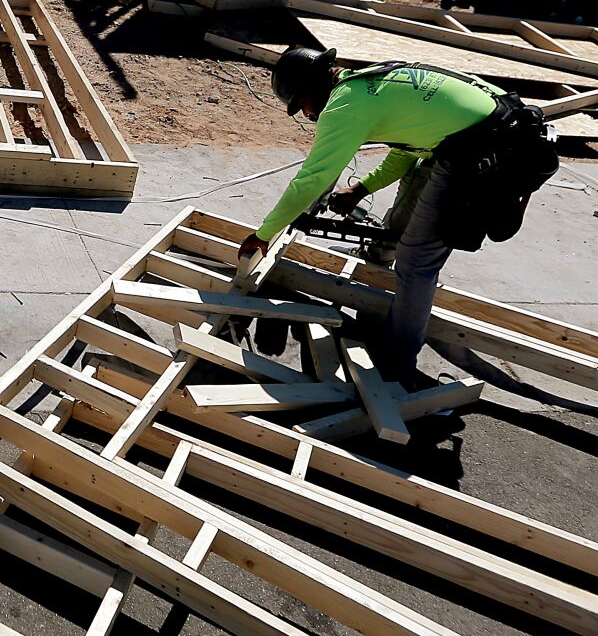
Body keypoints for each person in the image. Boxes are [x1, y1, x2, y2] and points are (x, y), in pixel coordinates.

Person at [238, 47, 555, 390]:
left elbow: (312, 180)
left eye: (304, 107)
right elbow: (406, 152)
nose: (310, 115)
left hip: (486, 151)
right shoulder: (371, 81)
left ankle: (396, 365)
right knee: (407, 210)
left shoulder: (345, 106)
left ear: (311, 91)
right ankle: (378, 265)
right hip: (475, 137)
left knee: (417, 261)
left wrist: (265, 233)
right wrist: (361, 189)